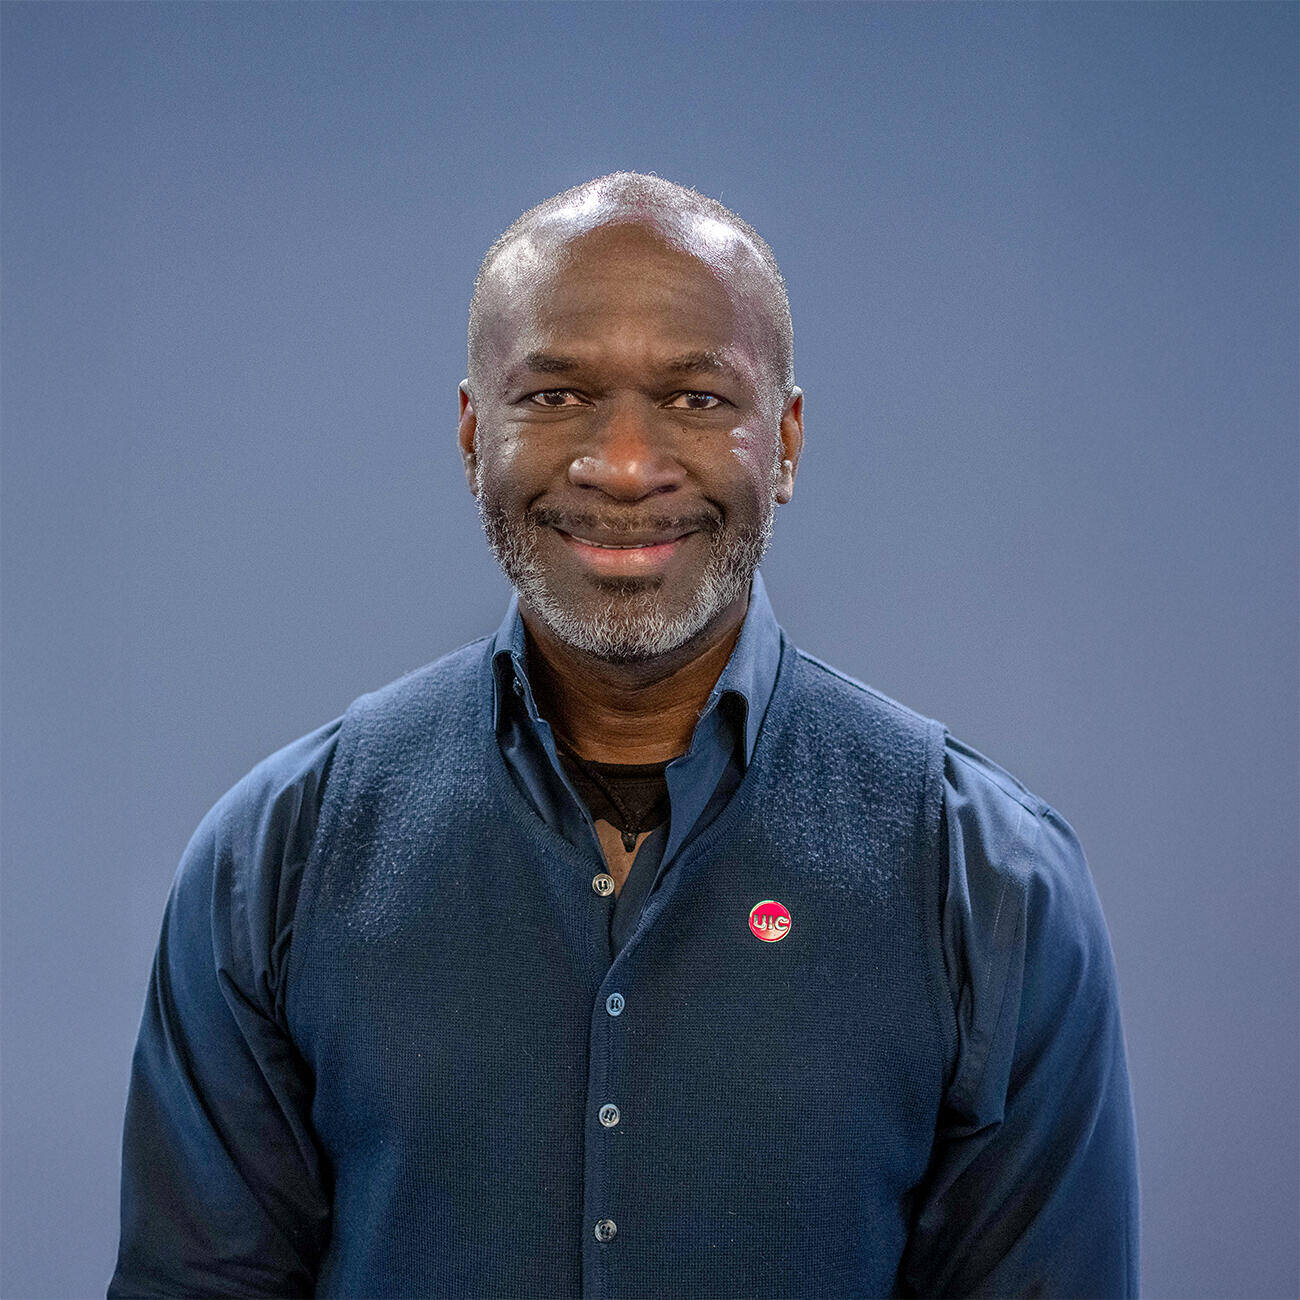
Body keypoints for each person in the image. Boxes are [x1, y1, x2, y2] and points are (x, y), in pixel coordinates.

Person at [109, 171, 1139, 1299]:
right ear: (470, 433)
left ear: (785, 442)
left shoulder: (987, 880)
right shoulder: (274, 861)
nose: (627, 465)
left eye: (696, 399)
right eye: (555, 396)